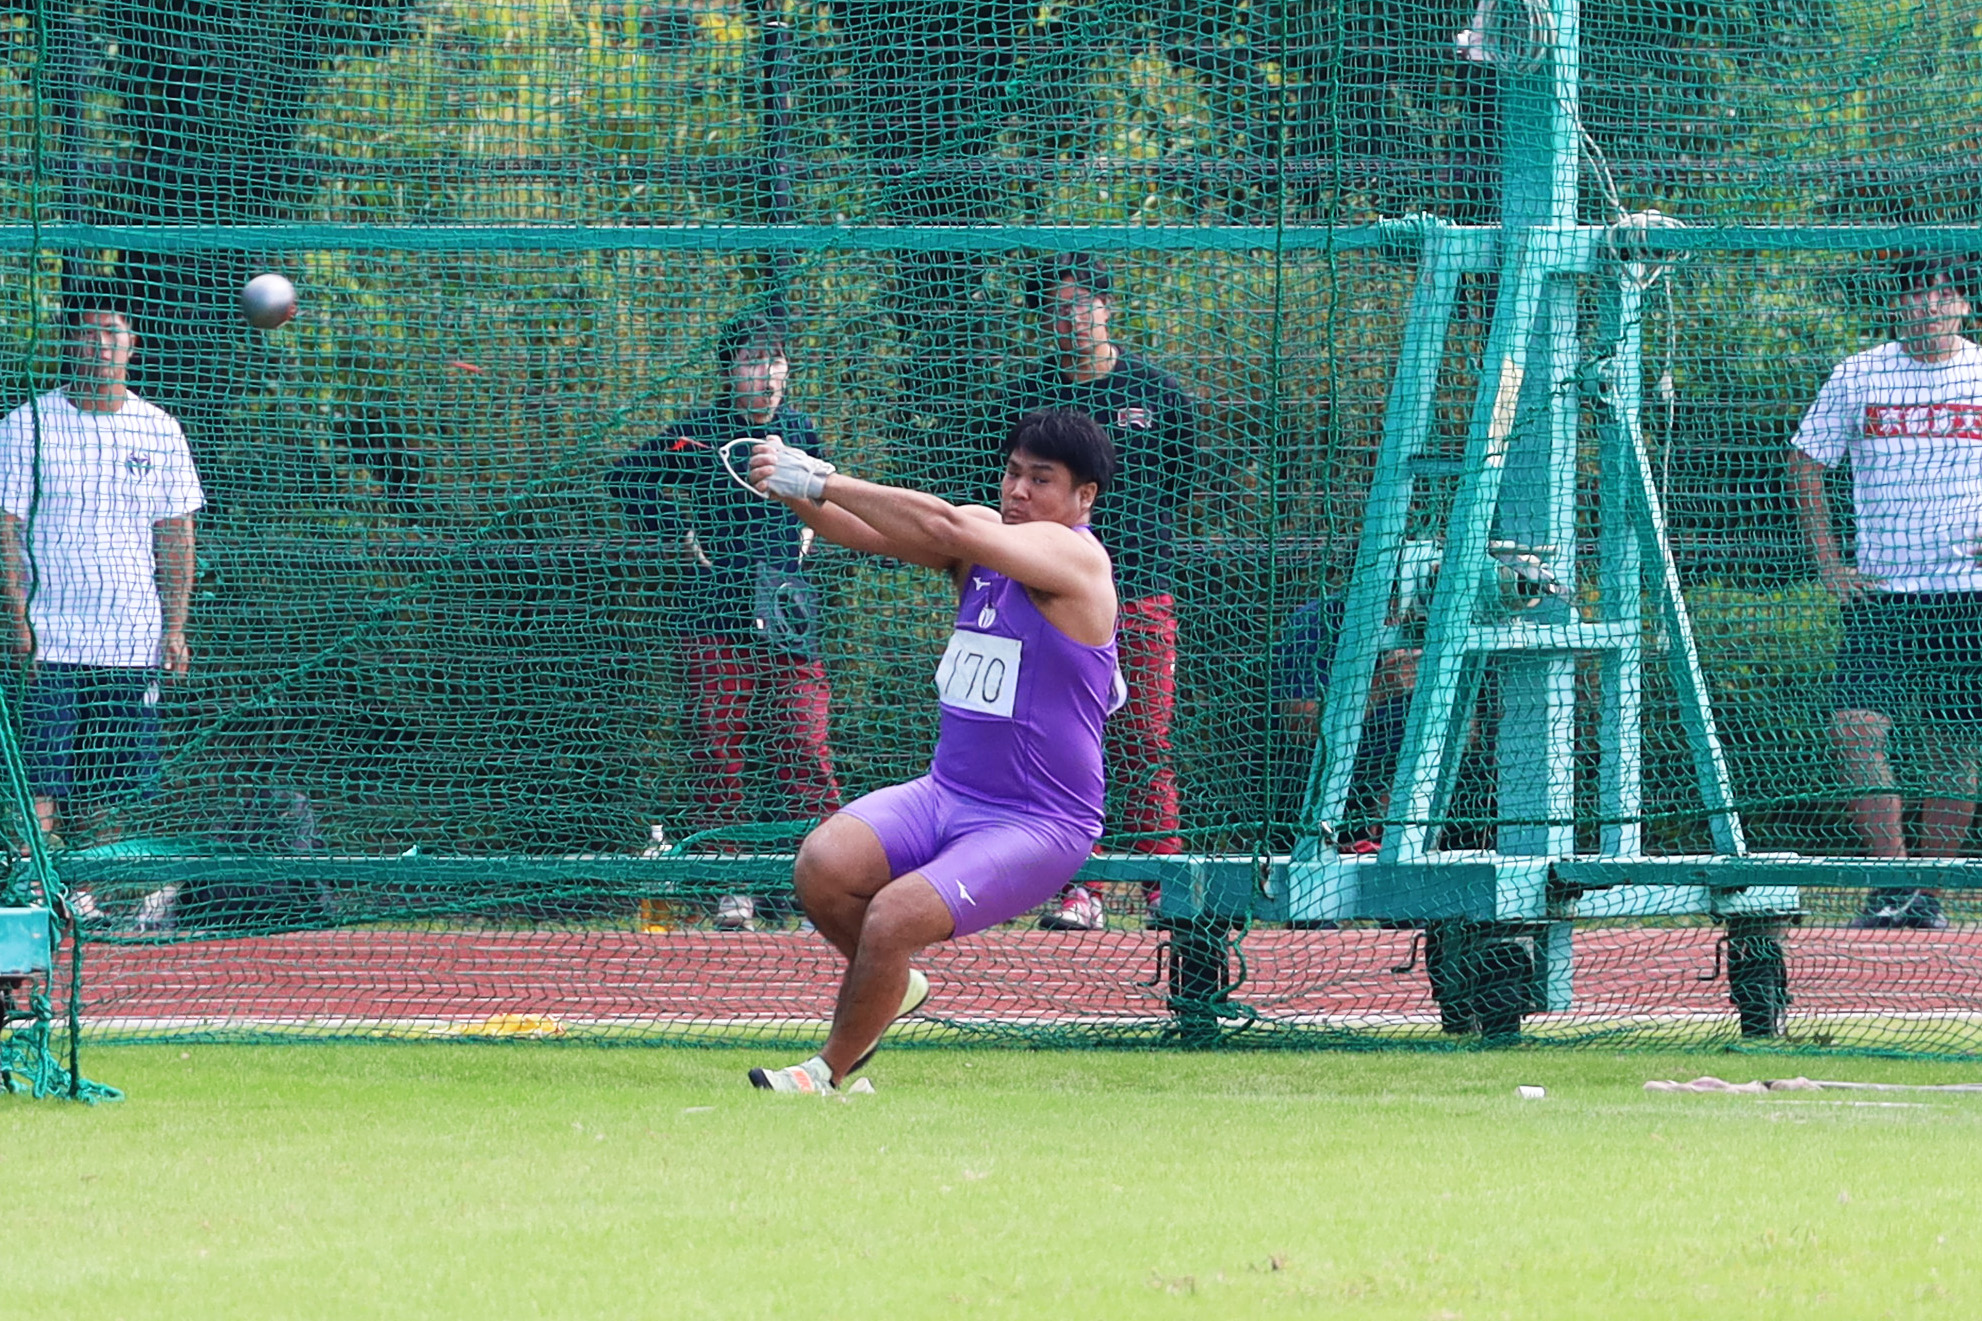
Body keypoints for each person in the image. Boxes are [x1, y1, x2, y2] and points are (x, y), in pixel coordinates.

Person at [742, 408, 1121, 1092]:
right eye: (1012, 473)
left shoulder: (1077, 557)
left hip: (1037, 821)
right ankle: (893, 982)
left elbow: (943, 522)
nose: (1018, 492)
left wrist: (823, 476)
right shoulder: (981, 540)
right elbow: (852, 527)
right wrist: (791, 483)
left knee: (892, 915)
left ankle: (829, 1074)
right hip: (947, 792)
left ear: (1084, 497)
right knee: (821, 867)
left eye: (1041, 479)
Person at [609, 316, 842, 932]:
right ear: (729, 370)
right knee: (719, 751)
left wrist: (815, 523)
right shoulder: (702, 432)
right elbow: (627, 477)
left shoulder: (801, 432)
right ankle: (730, 885)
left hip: (790, 620)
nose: (764, 375)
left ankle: (831, 882)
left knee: (804, 743)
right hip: (713, 616)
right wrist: (678, 531)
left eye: (775, 361)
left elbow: (834, 493)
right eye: (751, 361)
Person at [1002, 254, 1206, 931]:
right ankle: (1076, 886)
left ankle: (1160, 881)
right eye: (1056, 309)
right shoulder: (1027, 401)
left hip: (1141, 592)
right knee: (1065, 741)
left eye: (1081, 304)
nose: (1071, 319)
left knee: (1144, 738)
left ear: (1106, 307)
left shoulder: (1159, 394)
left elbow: (1180, 482)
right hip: (1051, 601)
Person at [1789, 251, 1982, 931]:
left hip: (1968, 594)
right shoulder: (1861, 373)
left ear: (1965, 303)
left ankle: (1928, 891)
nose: (1930, 303)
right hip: (1883, 593)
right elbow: (1806, 463)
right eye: (1918, 292)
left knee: (1953, 747)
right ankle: (1890, 878)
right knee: (1856, 729)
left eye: (1945, 292)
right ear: (1899, 304)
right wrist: (1830, 563)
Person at [0, 280, 203, 886]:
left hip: (130, 641)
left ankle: (88, 900)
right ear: (70, 343)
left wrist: (175, 628)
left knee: (106, 790)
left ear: (133, 344)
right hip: (48, 641)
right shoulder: (25, 426)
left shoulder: (159, 429)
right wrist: (17, 619)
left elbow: (176, 535)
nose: (99, 345)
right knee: (37, 783)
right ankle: (35, 894)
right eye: (87, 333)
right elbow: (4, 528)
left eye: (111, 333)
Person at [1270, 596, 1420, 852]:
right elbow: (1298, 724)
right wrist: (1378, 690)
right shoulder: (1319, 621)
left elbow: (1469, 733)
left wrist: (1402, 786)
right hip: (1337, 776)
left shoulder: (1436, 617)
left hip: (1410, 774)